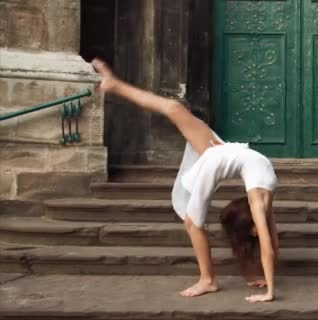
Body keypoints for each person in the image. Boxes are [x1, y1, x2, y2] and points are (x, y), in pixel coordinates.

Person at [92, 59, 279, 303]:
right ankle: (114, 84)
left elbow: (270, 244)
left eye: (256, 228)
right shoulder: (260, 200)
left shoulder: (260, 200)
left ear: (250, 228)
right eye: (258, 227)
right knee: (174, 108)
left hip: (220, 155)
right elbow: (270, 243)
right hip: (220, 151)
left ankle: (208, 279)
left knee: (192, 222)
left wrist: (269, 289)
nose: (260, 228)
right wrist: (269, 285)